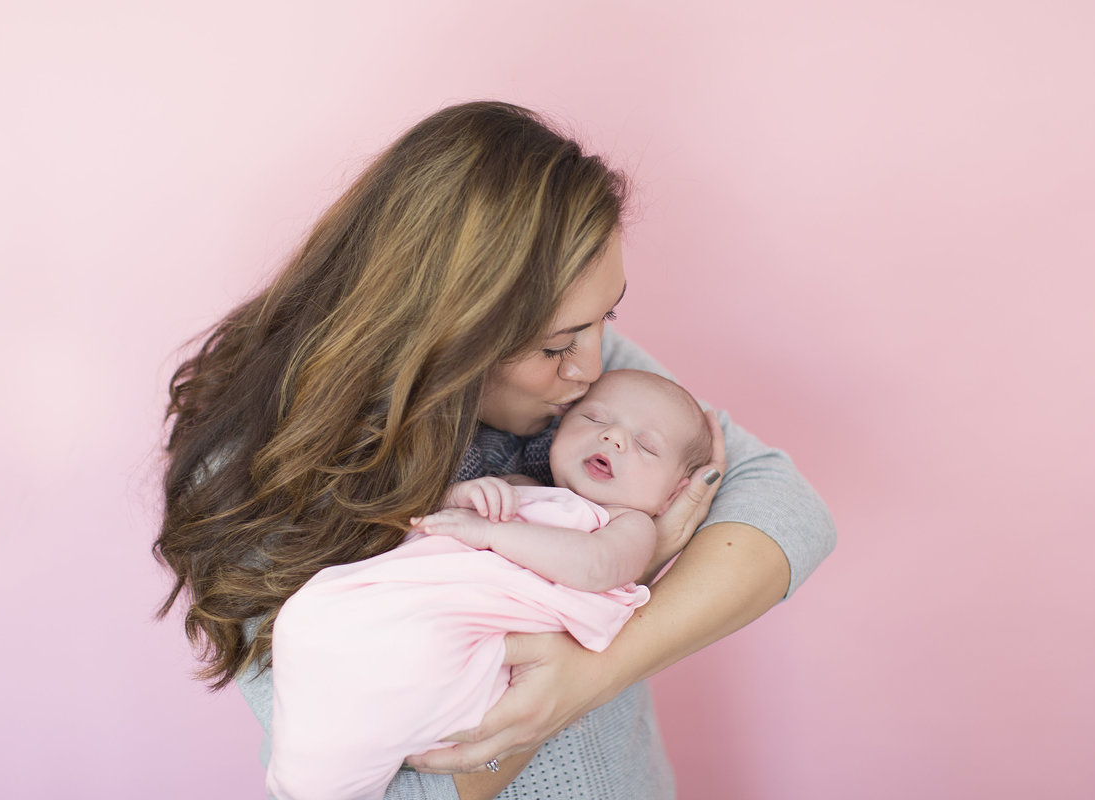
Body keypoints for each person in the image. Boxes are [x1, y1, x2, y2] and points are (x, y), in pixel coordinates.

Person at [154, 100, 835, 800]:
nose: (592, 366)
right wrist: (574, 648)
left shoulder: (581, 394)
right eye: (556, 344)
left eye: (608, 316)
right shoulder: (247, 477)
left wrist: (602, 659)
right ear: (445, 331)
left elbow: (787, 507)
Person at [266, 369, 713, 800]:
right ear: (556, 434)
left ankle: (323, 782)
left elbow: (595, 566)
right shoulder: (520, 485)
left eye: (646, 446)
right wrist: (459, 498)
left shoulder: (628, 524)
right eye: (594, 418)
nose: (614, 437)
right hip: (424, 601)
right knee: (308, 618)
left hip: (474, 641)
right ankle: (310, 769)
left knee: (410, 668)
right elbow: (426, 533)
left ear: (673, 495)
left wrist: (493, 533)